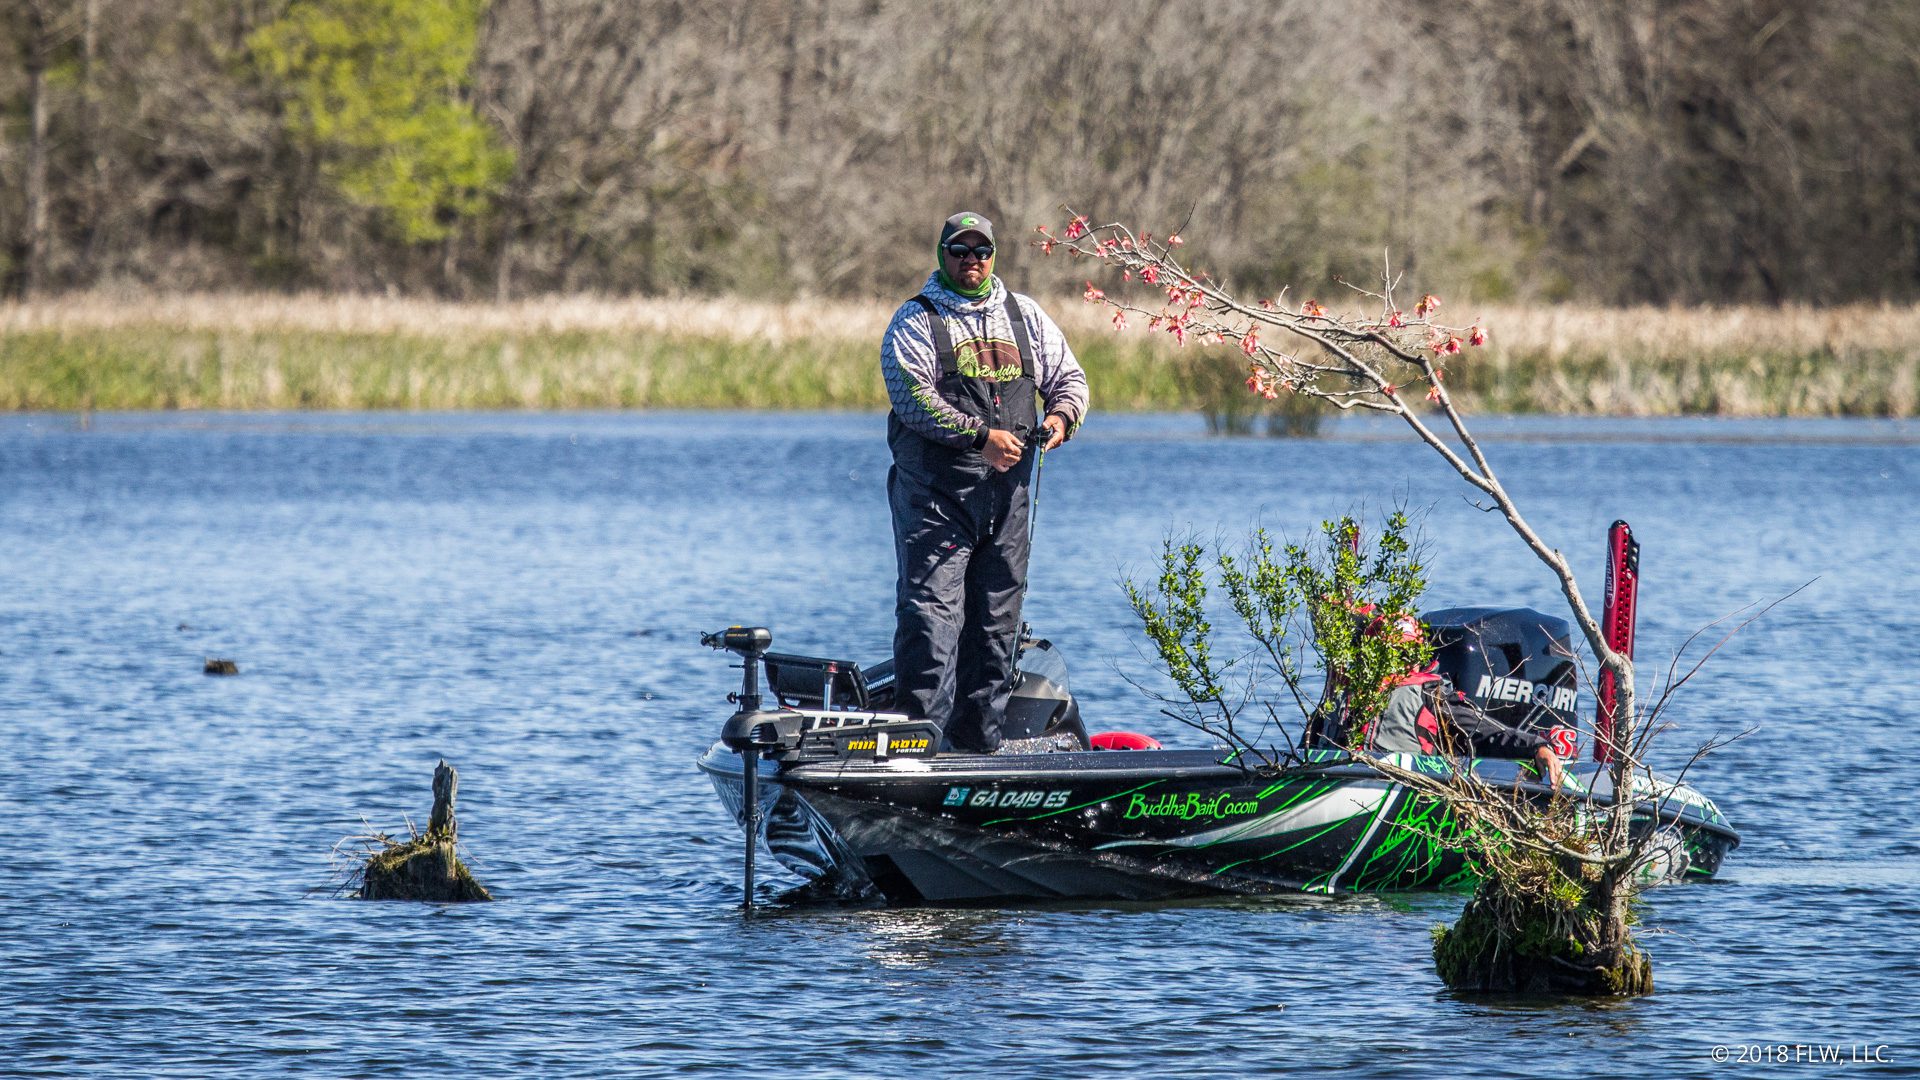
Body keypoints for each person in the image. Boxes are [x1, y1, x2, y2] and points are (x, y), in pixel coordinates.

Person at [880, 211, 1089, 753]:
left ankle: (977, 754)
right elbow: (914, 401)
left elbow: (1070, 379)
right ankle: (914, 750)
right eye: (959, 250)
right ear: (941, 255)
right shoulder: (914, 320)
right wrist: (982, 438)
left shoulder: (1026, 316)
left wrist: (1062, 417)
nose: (971, 260)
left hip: (1009, 500)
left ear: (994, 256)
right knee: (932, 625)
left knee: (997, 631)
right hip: (936, 500)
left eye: (981, 251)